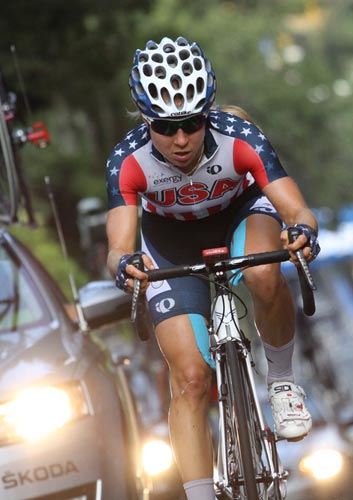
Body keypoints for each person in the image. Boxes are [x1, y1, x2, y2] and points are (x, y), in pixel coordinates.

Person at [105, 36, 320, 500]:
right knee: (189, 379)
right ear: (145, 118)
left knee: (265, 273)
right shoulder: (126, 160)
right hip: (170, 243)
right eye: (165, 126)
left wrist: (301, 233)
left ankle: (282, 382)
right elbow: (118, 245)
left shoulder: (239, 136)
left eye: (192, 123)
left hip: (242, 217)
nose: (180, 140)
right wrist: (125, 264)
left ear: (208, 114)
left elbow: (297, 211)